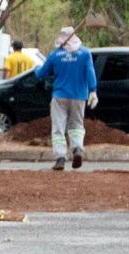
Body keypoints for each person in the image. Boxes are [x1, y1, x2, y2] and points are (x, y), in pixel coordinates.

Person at [34, 27, 98, 171]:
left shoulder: (55, 55)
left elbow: (41, 74)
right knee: (76, 125)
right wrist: (93, 90)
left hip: (59, 96)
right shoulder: (85, 53)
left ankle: (60, 158)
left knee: (58, 128)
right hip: (79, 96)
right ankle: (77, 149)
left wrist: (36, 68)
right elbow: (90, 72)